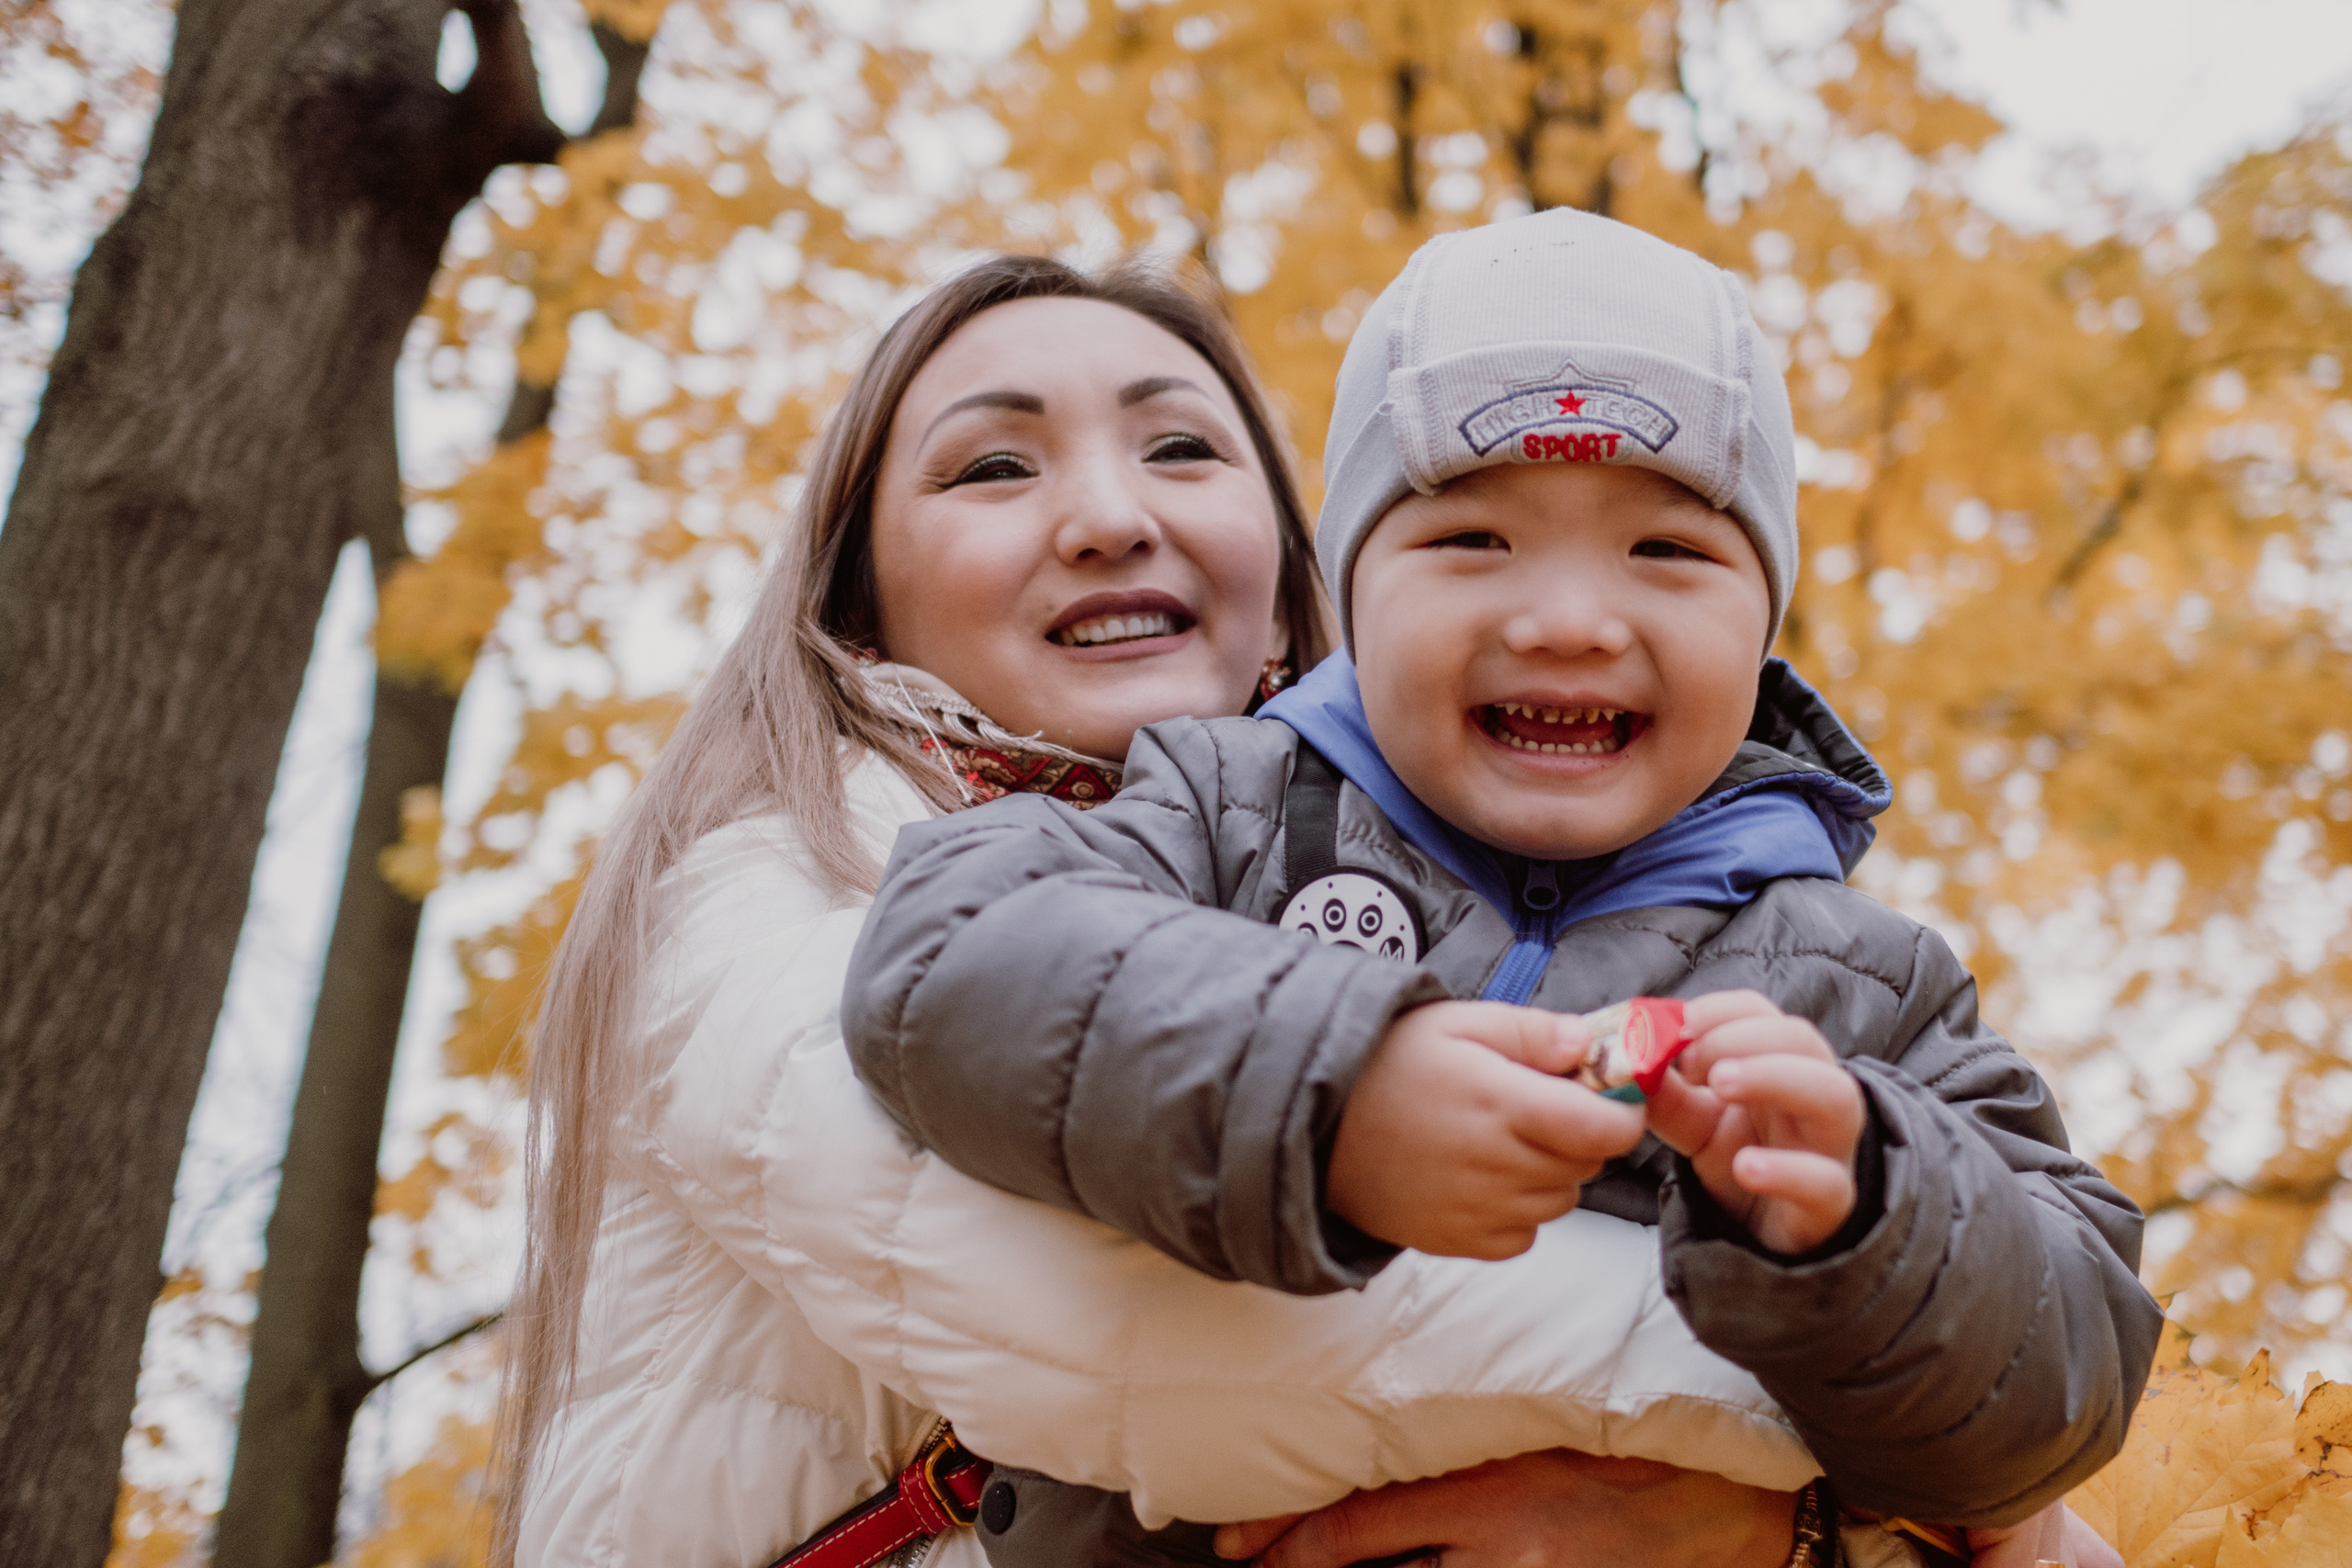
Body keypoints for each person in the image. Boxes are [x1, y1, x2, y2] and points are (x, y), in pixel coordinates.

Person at [841, 211, 2163, 1562]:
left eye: (1669, 553)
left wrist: (1866, 1212)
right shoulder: (1225, 816)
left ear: (1764, 633)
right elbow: (947, 959)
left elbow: (2071, 1375)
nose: (1570, 619)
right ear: (1351, 598)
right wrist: (1334, 1087)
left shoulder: (1858, 983)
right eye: (1473, 541)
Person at [495, 250, 1839, 1568]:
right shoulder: (785, 874)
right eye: (995, 468)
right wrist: (1894, 1463)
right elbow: (1136, 1332)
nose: (1109, 518)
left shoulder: (1355, 886)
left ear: (1293, 597)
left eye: (1184, 451)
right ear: (857, 606)